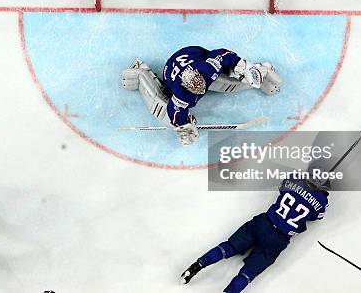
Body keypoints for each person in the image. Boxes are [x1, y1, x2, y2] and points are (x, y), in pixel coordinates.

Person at [181, 173, 329, 292]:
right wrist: (319, 196)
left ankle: (198, 265)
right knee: (249, 272)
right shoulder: (321, 202)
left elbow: (283, 186)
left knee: (229, 247)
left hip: (263, 222)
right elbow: (317, 217)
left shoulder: (295, 179)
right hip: (279, 238)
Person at [121, 46, 281, 145]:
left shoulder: (206, 70)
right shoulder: (181, 95)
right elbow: (174, 115)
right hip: (170, 73)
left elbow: (224, 54)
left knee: (229, 78)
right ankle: (142, 73)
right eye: (196, 89)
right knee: (163, 113)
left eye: (202, 85)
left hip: (191, 53)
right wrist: (184, 126)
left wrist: (244, 67)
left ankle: (261, 70)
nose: (201, 89)